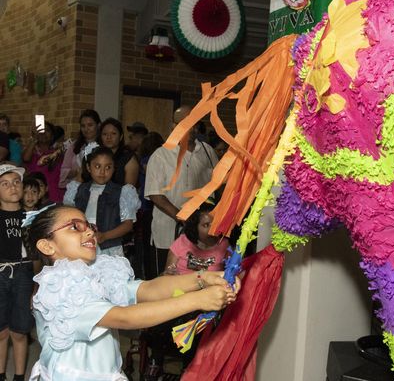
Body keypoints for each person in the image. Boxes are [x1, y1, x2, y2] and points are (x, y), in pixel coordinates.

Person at [24, 204, 240, 381]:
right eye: (75, 227)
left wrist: (204, 278)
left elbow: (147, 289)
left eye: (88, 225)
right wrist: (198, 300)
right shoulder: (59, 287)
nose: (89, 231)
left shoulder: (96, 272)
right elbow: (125, 317)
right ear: (47, 246)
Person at [144, 106, 218, 278]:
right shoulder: (161, 155)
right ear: (173, 126)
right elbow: (155, 194)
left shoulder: (207, 152)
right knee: (166, 282)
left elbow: (217, 185)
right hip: (168, 231)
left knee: (195, 280)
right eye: (184, 123)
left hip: (201, 234)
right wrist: (183, 217)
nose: (190, 128)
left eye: (193, 123)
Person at [63, 144, 140, 257]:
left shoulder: (122, 192)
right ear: (89, 167)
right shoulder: (77, 190)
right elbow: (68, 219)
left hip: (109, 249)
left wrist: (105, 236)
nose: (102, 172)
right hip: (82, 247)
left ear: (114, 169)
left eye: (108, 167)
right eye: (97, 166)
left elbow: (127, 225)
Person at [0, 164, 36, 381]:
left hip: (23, 273)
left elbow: (37, 255)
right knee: (1, 332)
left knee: (20, 331)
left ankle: (20, 377)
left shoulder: (31, 218)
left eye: (16, 182)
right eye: (5, 184)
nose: (12, 187)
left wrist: (36, 284)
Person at [164, 202, 229, 275]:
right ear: (194, 227)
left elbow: (230, 274)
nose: (212, 230)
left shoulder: (225, 246)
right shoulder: (181, 242)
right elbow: (167, 275)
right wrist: (170, 273)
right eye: (206, 225)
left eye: (215, 224)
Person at [135, 132, 164, 279]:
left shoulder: (145, 160)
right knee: (147, 246)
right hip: (149, 208)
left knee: (146, 246)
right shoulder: (151, 161)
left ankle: (148, 275)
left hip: (146, 208)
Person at [22, 122, 64, 202]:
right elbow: (25, 159)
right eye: (41, 130)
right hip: (33, 197)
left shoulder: (58, 153)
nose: (43, 132)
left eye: (47, 130)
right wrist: (34, 138)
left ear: (52, 136)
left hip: (55, 196)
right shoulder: (30, 152)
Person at [60, 109, 101, 189]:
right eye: (83, 126)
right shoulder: (74, 146)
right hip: (76, 188)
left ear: (98, 125)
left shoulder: (103, 146)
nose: (86, 129)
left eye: (90, 125)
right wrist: (76, 172)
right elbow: (63, 170)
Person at [98, 118, 139, 186]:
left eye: (113, 134)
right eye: (105, 134)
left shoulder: (129, 158)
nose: (108, 137)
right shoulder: (96, 155)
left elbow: (128, 191)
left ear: (120, 137)